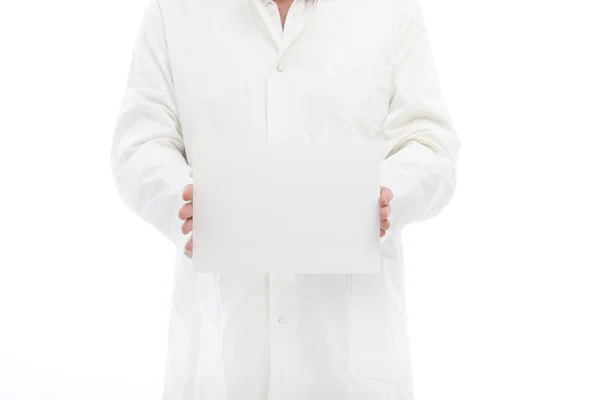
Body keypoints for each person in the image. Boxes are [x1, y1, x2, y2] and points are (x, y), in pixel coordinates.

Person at [111, 0, 460, 398]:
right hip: (224, 360)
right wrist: (181, 196)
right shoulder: (174, 11)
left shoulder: (390, 10)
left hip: (346, 367)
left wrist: (384, 193)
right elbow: (139, 144)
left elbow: (432, 146)